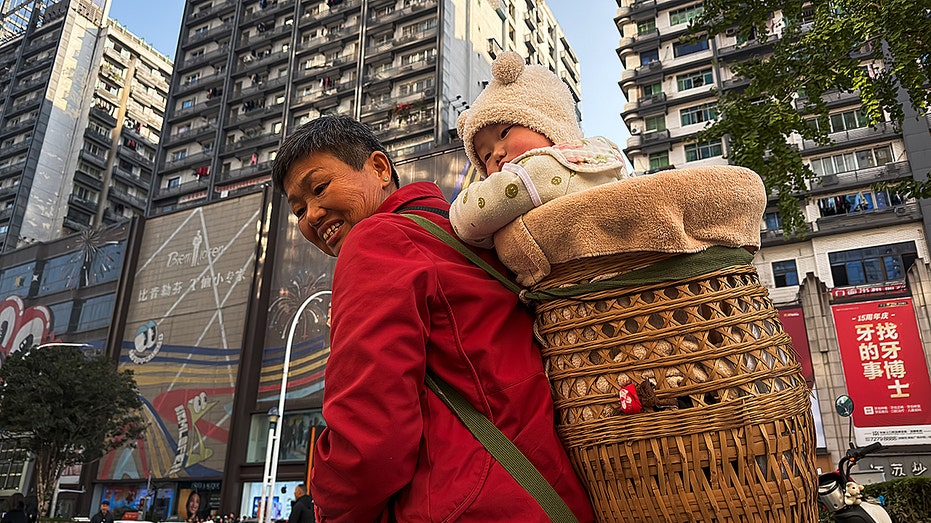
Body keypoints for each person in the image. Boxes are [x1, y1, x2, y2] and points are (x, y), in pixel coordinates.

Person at [272, 115, 594, 522]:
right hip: (550, 496)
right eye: (298, 210)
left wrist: (330, 511)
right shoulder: (464, 234)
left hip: (468, 506)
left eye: (319, 188)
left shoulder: (376, 241)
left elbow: (368, 438)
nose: (312, 215)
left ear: (379, 168)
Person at [450, 51, 628, 248]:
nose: (497, 154)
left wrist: (455, 211)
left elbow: (468, 221)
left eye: (504, 133)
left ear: (547, 122)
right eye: (486, 156)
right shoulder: (597, 152)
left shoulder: (545, 168)